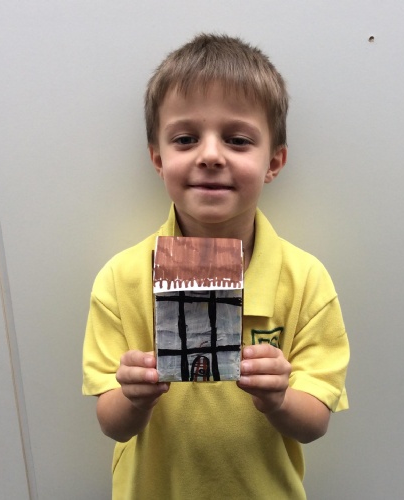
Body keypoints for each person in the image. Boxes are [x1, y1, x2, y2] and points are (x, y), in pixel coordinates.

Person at [83, 33, 349, 500]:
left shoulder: (306, 281)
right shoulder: (121, 280)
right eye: (186, 139)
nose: (209, 155)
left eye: (237, 140)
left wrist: (279, 398)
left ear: (274, 162)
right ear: (158, 159)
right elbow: (112, 423)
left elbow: (315, 424)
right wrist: (133, 397)